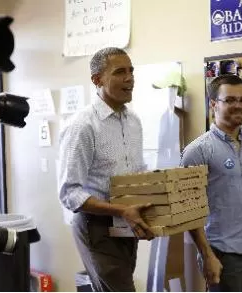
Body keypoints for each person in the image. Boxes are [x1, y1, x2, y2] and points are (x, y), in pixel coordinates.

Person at [58, 47, 152, 292]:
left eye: (131, 71)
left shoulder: (134, 122)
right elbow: (70, 193)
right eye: (120, 72)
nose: (130, 78)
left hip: (127, 222)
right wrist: (121, 210)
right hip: (96, 226)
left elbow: (137, 173)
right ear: (97, 80)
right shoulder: (82, 125)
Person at [181, 75, 242, 292]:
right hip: (222, 255)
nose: (238, 106)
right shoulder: (197, 151)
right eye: (230, 100)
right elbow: (189, 211)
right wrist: (207, 256)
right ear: (214, 104)